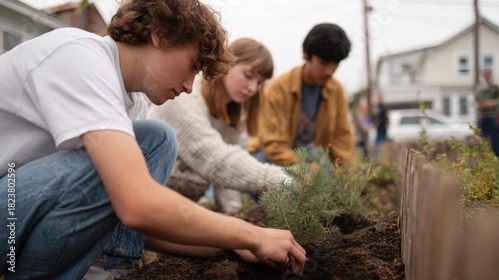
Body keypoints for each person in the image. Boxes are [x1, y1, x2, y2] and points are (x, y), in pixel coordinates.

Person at [0, 0, 306, 279]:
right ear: (160, 35)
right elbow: (137, 205)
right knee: (139, 151)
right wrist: (250, 234)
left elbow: (129, 224)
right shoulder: (80, 57)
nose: (189, 87)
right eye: (192, 66)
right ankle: (99, 271)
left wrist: (228, 244)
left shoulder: (133, 103)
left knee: (155, 138)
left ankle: (108, 270)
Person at [147, 37, 287, 214]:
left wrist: (234, 215)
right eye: (248, 76)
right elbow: (217, 161)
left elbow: (226, 182)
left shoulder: (233, 116)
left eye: (259, 83)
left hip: (181, 208)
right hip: (149, 205)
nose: (252, 88)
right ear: (226, 65)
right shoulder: (183, 101)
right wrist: (286, 180)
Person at [247, 23, 354, 166]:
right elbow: (273, 145)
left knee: (327, 168)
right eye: (323, 62)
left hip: (312, 158)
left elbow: (342, 140)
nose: (329, 70)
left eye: (335, 63)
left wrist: (346, 179)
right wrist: (306, 172)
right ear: (305, 54)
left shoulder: (336, 90)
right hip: (277, 158)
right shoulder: (278, 88)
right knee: (260, 160)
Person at [475, 68, 499, 156]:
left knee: (495, 138)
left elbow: (498, 99)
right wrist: (479, 104)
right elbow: (475, 101)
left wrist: (492, 103)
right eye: (485, 74)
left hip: (492, 116)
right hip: (481, 116)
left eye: (488, 74)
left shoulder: (495, 87)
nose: (486, 76)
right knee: (482, 137)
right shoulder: (479, 88)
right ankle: (484, 157)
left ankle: (496, 157)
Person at [372, 94, 389, 160]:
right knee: (378, 143)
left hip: (382, 128)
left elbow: (384, 118)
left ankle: (379, 157)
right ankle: (378, 157)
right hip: (379, 128)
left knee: (380, 143)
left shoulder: (383, 108)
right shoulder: (378, 107)